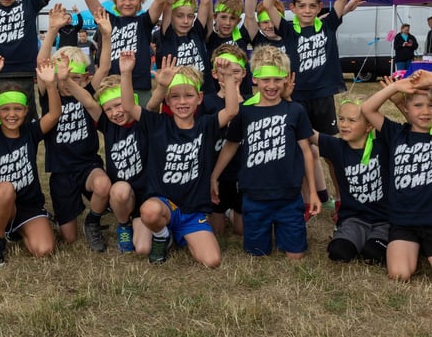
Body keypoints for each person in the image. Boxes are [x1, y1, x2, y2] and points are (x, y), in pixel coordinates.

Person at [56, 8, 171, 255]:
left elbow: (151, 104)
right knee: (117, 189)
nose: (116, 112)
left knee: (142, 250)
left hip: (150, 193)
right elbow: (88, 102)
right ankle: (123, 225)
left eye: (119, 105)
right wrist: (66, 82)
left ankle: (159, 231)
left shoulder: (142, 120)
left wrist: (159, 86)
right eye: (109, 109)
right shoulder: (107, 125)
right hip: (124, 195)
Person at [120, 50, 240, 266]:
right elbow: (129, 106)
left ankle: (179, 235)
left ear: (199, 98)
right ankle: (162, 235)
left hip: (192, 211)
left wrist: (229, 77)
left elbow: (231, 110)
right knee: (149, 211)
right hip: (163, 203)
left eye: (189, 96)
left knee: (212, 260)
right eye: (175, 97)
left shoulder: (206, 125)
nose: (182, 102)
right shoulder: (158, 124)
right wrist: (126, 72)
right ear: (167, 100)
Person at [361, 69, 432, 290]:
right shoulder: (396, 133)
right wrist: (396, 87)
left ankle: (430, 247)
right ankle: (416, 248)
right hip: (404, 220)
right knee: (399, 274)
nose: (425, 111)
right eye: (418, 105)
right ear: (405, 108)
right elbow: (367, 109)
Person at [262, 0, 351, 217]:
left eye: (313, 6)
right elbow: (267, 5)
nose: (308, 10)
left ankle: (341, 200)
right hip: (296, 96)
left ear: (319, 7)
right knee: (300, 150)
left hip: (323, 96)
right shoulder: (288, 30)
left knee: (331, 151)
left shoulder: (328, 25)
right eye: (302, 6)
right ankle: (306, 200)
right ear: (293, 8)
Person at [211, 45, 320, 259]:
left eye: (277, 80)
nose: (271, 86)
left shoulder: (295, 110)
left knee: (295, 255)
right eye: (265, 80)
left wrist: (313, 193)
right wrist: (214, 176)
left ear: (286, 79)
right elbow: (231, 145)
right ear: (255, 79)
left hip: (289, 196)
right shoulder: (245, 112)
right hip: (254, 196)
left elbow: (307, 152)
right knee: (257, 254)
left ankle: (282, 229)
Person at [37, 4, 113, 251]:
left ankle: (93, 220)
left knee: (103, 185)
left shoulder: (87, 93)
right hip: (61, 170)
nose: (67, 83)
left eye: (75, 77)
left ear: (85, 79)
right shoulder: (48, 94)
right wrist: (51, 31)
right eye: (62, 77)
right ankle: (61, 214)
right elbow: (42, 61)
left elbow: (104, 67)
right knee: (68, 237)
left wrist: (106, 35)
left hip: (87, 164)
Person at [0, 53, 61, 267]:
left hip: (29, 204)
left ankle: (15, 229)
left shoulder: (30, 132)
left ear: (26, 111)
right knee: (5, 189)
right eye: (5, 109)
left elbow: (54, 115)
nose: (11, 114)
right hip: (1, 200)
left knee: (44, 249)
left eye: (17, 109)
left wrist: (50, 85)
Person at [82, 0, 165, 107]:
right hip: (113, 87)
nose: (127, 3)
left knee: (143, 131)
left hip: (140, 88)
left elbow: (161, 0)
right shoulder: (107, 19)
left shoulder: (144, 21)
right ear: (115, 0)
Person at [310, 95, 389, 265]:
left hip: (384, 219)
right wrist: (287, 100)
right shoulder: (336, 146)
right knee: (338, 252)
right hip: (354, 219)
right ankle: (352, 237)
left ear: (369, 125)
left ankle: (376, 241)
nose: (344, 125)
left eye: (352, 120)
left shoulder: (383, 146)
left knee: (373, 254)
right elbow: (308, 132)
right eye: (341, 119)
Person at [201, 45, 247, 236]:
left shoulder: (252, 100)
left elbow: (243, 116)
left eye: (235, 71)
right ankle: (223, 211)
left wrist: (236, 95)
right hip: (216, 173)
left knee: (241, 231)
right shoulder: (207, 102)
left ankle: (233, 212)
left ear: (244, 73)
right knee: (217, 232)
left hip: (241, 174)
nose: (231, 75)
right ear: (214, 73)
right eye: (224, 72)